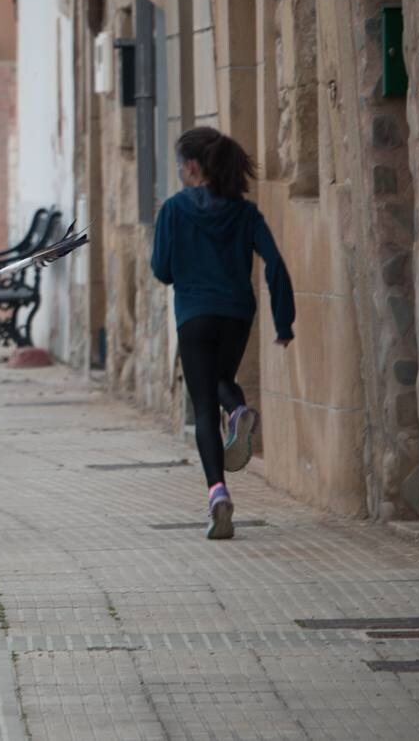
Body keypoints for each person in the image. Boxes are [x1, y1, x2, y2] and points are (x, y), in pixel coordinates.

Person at [152, 127, 295, 540]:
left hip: (194, 314)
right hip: (236, 314)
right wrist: (284, 321)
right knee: (220, 381)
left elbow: (161, 270)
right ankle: (236, 411)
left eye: (180, 164)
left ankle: (217, 493)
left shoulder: (174, 210)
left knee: (202, 406)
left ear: (192, 166)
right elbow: (275, 263)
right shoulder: (245, 212)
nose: (179, 171)